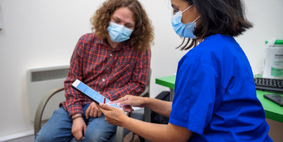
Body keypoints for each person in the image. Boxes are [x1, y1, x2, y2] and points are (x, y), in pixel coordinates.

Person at [99, 0, 273, 141]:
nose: (175, 16)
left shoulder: (199, 59)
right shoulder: (229, 47)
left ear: (201, 7)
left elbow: (175, 136)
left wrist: (124, 121)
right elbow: (192, 110)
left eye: (177, 9)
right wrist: (147, 102)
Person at [34, 0, 154, 141]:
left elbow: (138, 84)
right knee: (44, 139)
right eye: (117, 21)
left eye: (128, 25)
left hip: (112, 108)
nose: (121, 28)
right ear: (107, 17)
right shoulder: (85, 42)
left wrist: (101, 100)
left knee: (93, 138)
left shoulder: (140, 49)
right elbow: (73, 81)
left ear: (136, 28)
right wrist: (76, 116)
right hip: (78, 102)